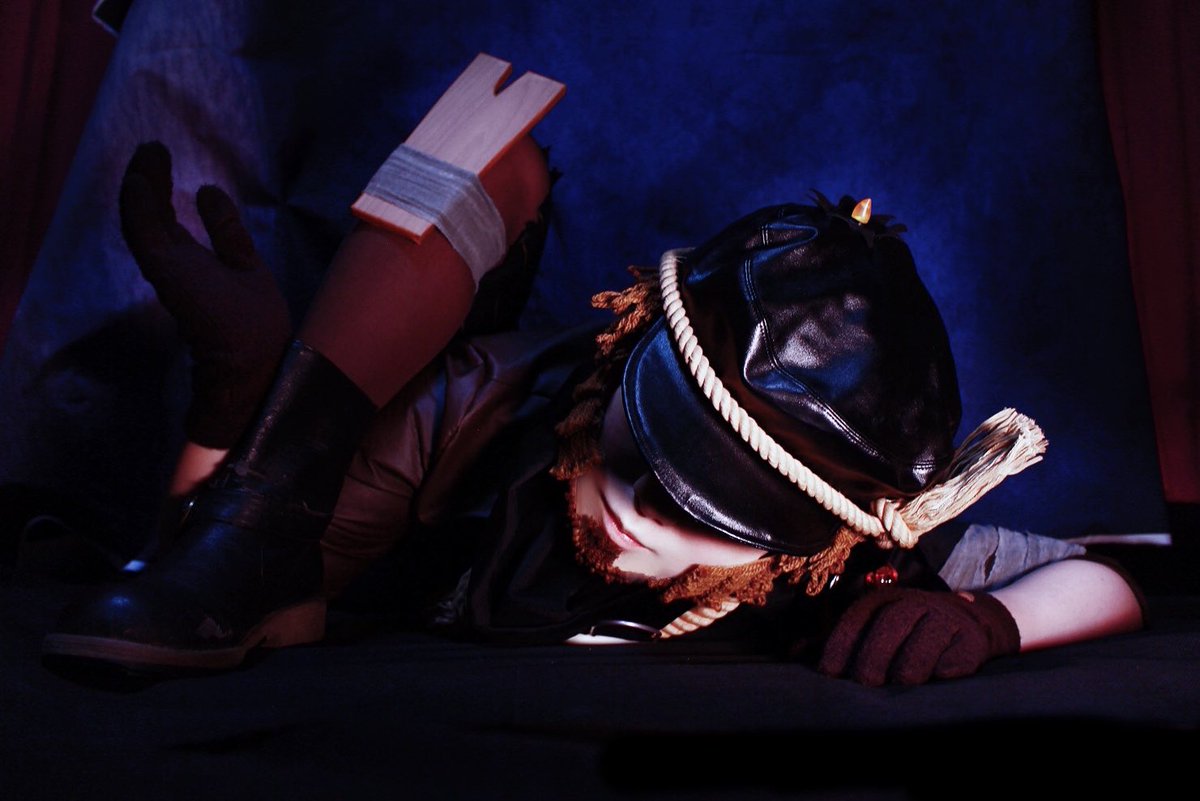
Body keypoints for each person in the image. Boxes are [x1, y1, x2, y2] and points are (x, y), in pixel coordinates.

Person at [41, 88, 1146, 686]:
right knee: (494, 153)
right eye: (651, 449)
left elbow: (1101, 582)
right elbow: (218, 593)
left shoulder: (839, 550)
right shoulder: (475, 407)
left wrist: (984, 621)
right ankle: (350, 347)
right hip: (423, 418)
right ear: (629, 354)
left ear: (807, 539)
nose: (643, 511)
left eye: (714, 510)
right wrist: (233, 397)